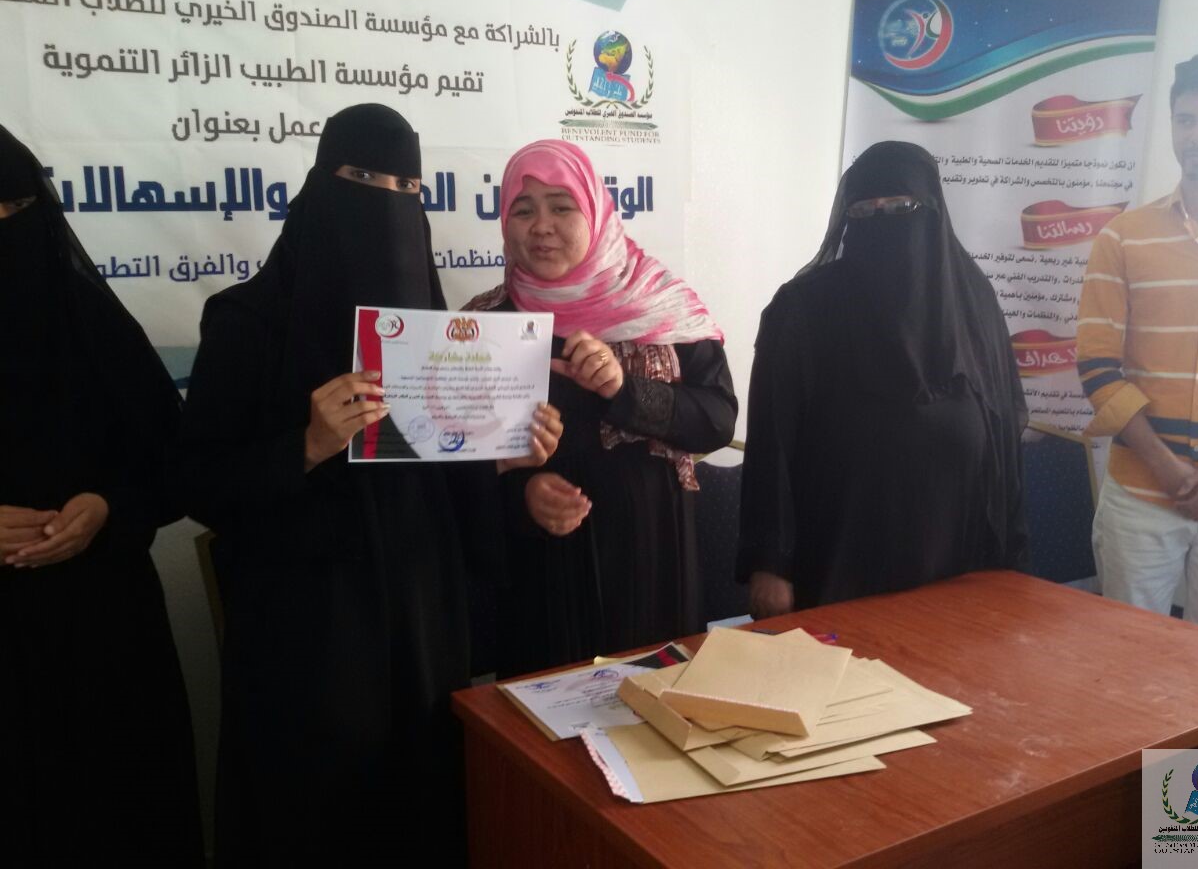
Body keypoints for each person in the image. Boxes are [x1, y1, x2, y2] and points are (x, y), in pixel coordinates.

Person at [179, 104, 558, 866]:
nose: (388, 201)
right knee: (319, 819)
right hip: (305, 632)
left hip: (423, 620)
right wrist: (307, 445)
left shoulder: (433, 329)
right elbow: (198, 483)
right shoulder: (246, 324)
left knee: (422, 805)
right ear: (322, 185)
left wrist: (500, 459)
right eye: (364, 178)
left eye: (407, 187)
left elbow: (446, 484)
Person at [0, 124, 202, 866]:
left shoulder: (91, 324)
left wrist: (109, 509)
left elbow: (171, 464)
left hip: (107, 631)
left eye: (13, 210)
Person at [465, 138, 736, 676]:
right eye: (523, 210)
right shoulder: (481, 325)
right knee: (539, 713)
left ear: (595, 212)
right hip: (539, 572)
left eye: (561, 207)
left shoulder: (663, 306)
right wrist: (521, 495)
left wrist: (624, 390)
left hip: (649, 560)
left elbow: (717, 420)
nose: (541, 227)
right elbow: (452, 461)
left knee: (651, 710)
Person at [738, 141, 1028, 617]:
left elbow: (1003, 426)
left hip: (959, 563)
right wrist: (770, 564)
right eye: (864, 211)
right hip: (841, 561)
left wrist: (1010, 548)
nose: (882, 220)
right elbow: (773, 446)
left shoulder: (970, 300)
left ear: (932, 212)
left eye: (900, 208)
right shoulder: (804, 309)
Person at [1078, 51, 1198, 641]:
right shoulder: (1123, 238)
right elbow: (1097, 365)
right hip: (1141, 494)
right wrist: (1166, 469)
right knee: (1126, 660)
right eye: (1187, 120)